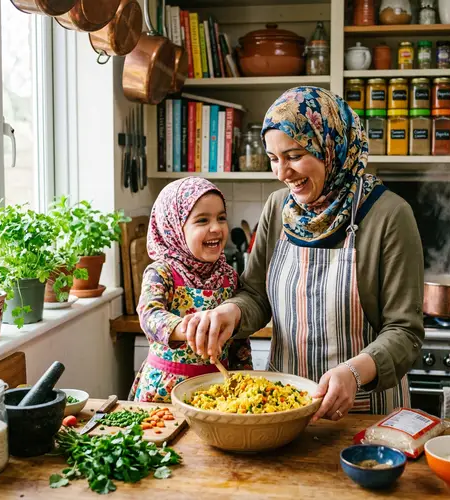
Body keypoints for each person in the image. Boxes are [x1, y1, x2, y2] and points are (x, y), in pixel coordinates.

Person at [181, 87, 425, 420]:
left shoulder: (389, 215)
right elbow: (255, 294)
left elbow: (405, 334)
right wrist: (230, 313)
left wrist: (353, 373)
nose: (282, 173)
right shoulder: (278, 208)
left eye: (294, 155)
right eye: (273, 158)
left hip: (364, 412)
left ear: (330, 146)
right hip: (282, 405)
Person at [129, 177, 252, 403]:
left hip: (217, 391)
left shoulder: (229, 276)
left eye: (221, 218)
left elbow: (239, 337)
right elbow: (150, 314)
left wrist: (246, 376)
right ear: (174, 227)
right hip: (164, 393)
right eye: (202, 220)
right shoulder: (162, 273)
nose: (216, 228)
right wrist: (188, 328)